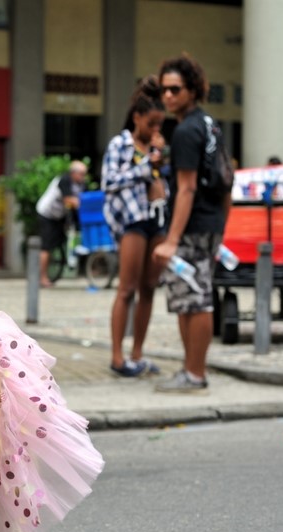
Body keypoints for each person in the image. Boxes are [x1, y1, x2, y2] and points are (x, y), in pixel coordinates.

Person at [152, 53, 230, 394]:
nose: (168, 96)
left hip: (192, 226)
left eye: (175, 89)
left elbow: (186, 188)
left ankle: (194, 374)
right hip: (209, 225)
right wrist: (221, 226)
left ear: (193, 90)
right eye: (164, 90)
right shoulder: (210, 125)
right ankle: (191, 369)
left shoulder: (186, 130)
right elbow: (228, 178)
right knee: (191, 298)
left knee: (195, 300)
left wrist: (171, 239)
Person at [101, 76, 168, 378]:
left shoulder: (156, 148)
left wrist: (160, 162)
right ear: (138, 117)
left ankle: (138, 354)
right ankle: (117, 357)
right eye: (152, 123)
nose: (156, 129)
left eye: (160, 124)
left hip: (157, 219)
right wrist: (146, 165)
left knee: (149, 288)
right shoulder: (121, 144)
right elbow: (109, 182)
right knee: (127, 288)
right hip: (131, 220)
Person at [35, 161, 87, 287]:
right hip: (46, 214)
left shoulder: (81, 184)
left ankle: (59, 265)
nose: (83, 177)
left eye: (84, 174)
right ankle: (42, 278)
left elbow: (84, 199)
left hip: (60, 216)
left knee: (60, 241)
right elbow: (68, 199)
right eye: (81, 174)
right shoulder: (64, 180)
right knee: (46, 246)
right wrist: (83, 203)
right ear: (73, 173)